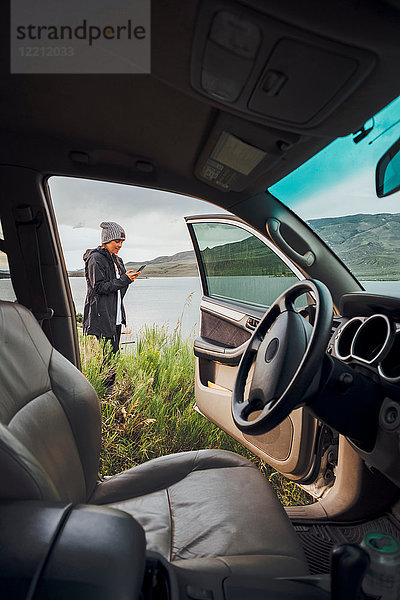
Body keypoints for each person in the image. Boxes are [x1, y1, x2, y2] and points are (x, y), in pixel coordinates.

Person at [83, 221, 140, 355]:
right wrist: (124, 280)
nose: (120, 245)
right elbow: (98, 287)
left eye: (122, 242)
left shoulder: (118, 260)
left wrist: (127, 279)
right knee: (110, 356)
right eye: (117, 241)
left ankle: (108, 377)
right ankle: (104, 377)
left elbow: (118, 286)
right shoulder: (95, 258)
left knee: (113, 356)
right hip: (102, 315)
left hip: (116, 315)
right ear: (106, 240)